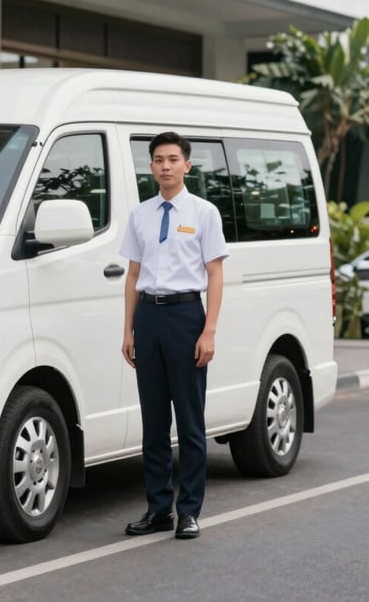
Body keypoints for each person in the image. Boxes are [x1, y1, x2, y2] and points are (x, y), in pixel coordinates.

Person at [119, 131, 228, 540]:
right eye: (158, 160)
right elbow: (133, 274)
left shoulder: (204, 213)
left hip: (186, 316)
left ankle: (189, 512)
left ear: (187, 165)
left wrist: (209, 330)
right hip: (148, 317)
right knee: (153, 422)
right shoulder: (140, 215)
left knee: (189, 421)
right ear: (151, 167)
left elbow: (215, 274)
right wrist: (128, 328)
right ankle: (158, 509)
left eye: (172, 159)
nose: (165, 166)